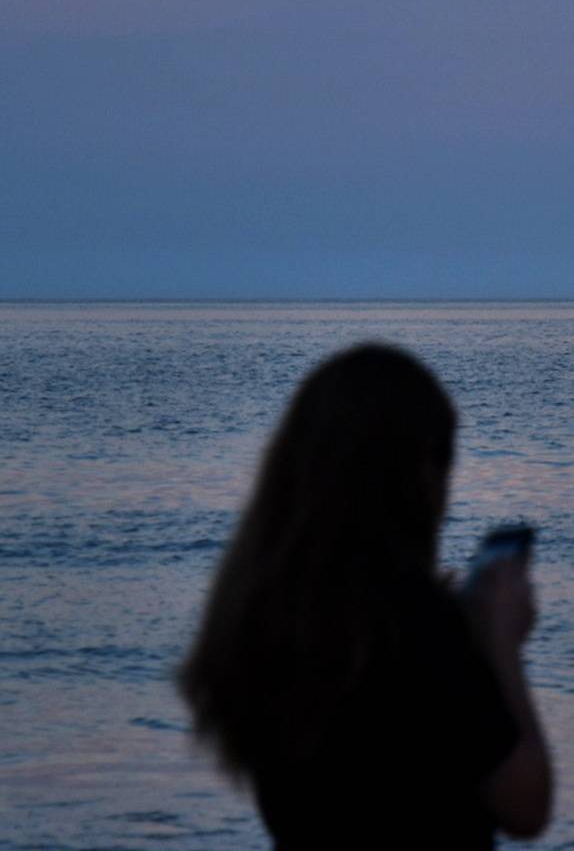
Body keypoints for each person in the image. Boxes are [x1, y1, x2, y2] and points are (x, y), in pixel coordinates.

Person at [178, 344, 551, 848]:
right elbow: (526, 805)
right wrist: (499, 642)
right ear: (420, 474)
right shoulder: (417, 627)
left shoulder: (268, 618)